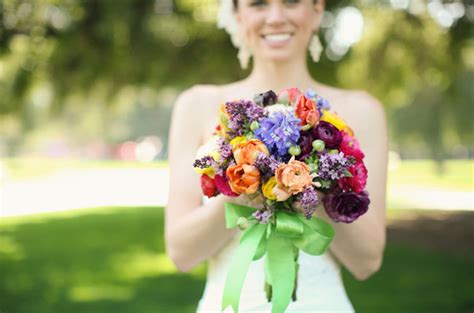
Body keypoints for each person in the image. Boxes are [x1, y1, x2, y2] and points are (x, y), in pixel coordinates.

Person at [165, 0, 387, 311]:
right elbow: (181, 254)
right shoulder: (197, 105)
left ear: (317, 8)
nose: (275, 17)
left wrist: (308, 185)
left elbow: (368, 261)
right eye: (258, 3)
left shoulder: (362, 110)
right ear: (238, 14)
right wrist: (246, 185)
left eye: (291, 1)